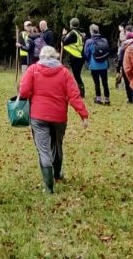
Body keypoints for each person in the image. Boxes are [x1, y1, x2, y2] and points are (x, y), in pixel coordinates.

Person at [18, 45, 90, 193]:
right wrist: (83, 115)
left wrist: (23, 98)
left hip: (38, 115)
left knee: (44, 150)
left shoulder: (33, 69)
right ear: (56, 56)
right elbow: (74, 95)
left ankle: (49, 186)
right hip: (59, 116)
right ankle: (57, 174)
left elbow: (24, 91)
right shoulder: (64, 72)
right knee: (57, 146)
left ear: (41, 56)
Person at [86, 24, 111, 105]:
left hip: (94, 65)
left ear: (91, 32)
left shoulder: (89, 41)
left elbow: (86, 53)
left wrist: (89, 61)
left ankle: (98, 98)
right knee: (105, 82)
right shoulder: (104, 40)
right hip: (104, 65)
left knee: (97, 83)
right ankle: (107, 99)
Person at [61, 19, 87, 97]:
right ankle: (80, 91)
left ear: (71, 25)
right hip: (80, 57)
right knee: (77, 75)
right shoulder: (80, 33)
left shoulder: (72, 33)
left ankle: (80, 92)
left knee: (76, 76)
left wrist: (63, 35)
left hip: (75, 57)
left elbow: (64, 42)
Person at [118, 29, 133, 104]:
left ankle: (130, 99)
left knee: (127, 84)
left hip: (125, 66)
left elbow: (120, 58)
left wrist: (119, 67)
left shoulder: (123, 46)